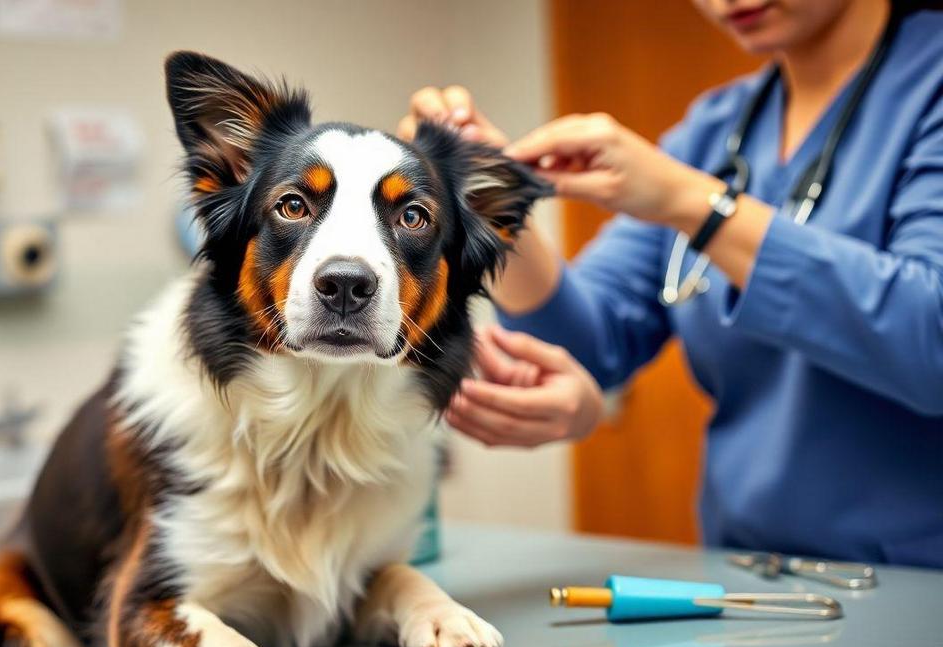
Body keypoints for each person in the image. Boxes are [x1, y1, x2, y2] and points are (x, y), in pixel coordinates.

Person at [400, 0, 943, 567]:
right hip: (749, 574)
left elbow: (930, 338)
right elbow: (584, 345)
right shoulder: (718, 129)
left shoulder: (927, 86)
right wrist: (486, 195)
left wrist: (696, 204)